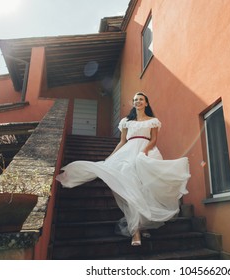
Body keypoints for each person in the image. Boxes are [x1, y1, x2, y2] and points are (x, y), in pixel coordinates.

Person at [56, 92, 190, 246]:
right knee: (130, 189)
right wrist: (110, 157)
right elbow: (121, 142)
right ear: (133, 103)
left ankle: (143, 224)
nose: (138, 101)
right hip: (128, 151)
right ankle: (135, 232)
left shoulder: (152, 121)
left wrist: (144, 152)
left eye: (141, 99)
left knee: (145, 190)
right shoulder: (126, 122)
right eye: (135, 100)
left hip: (146, 152)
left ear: (146, 103)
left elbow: (153, 140)